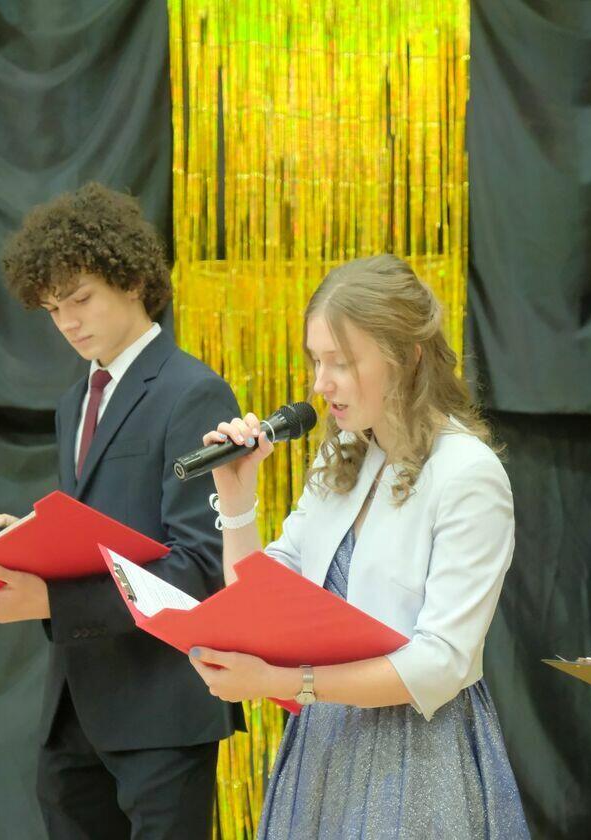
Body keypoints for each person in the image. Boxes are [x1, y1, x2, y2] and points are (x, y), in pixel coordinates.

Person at [186, 254, 530, 839]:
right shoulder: (344, 453)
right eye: (317, 361)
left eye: (341, 363)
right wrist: (237, 501)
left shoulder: (467, 474)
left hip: (419, 755)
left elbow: (440, 662)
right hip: (326, 744)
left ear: (408, 356)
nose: (321, 384)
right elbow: (261, 604)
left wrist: (281, 683)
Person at [0, 182, 241, 839]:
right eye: (52, 309)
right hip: (73, 708)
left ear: (132, 278)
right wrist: (28, 548)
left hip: (161, 708)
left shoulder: (193, 392)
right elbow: (97, 536)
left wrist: (52, 600)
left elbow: (199, 570)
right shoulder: (73, 401)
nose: (68, 322)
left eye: (80, 298)